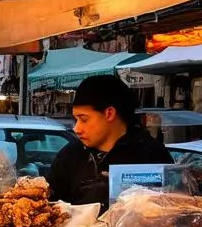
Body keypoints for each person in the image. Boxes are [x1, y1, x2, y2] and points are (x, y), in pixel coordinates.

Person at [47, 74, 171, 208]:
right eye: (75, 120)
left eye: (84, 119)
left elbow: (170, 209)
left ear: (109, 114)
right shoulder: (70, 156)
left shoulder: (152, 155)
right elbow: (49, 207)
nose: (76, 128)